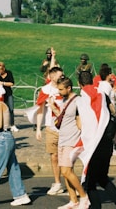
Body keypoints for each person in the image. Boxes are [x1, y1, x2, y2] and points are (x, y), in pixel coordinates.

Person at [77, 71, 116, 209]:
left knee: (90, 182)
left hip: (93, 144)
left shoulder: (80, 100)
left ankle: (96, 206)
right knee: (103, 177)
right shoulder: (103, 95)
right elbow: (113, 112)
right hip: (106, 141)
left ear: (79, 84)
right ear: (93, 81)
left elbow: (80, 124)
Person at [55, 76, 90, 209]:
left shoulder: (78, 101)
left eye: (61, 89)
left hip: (72, 140)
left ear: (69, 88)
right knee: (65, 172)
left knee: (66, 171)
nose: (59, 92)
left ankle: (84, 197)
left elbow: (82, 120)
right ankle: (73, 200)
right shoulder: (65, 100)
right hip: (63, 139)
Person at [35, 66, 65, 195]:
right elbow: (40, 110)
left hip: (65, 127)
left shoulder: (64, 87)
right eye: (60, 75)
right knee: (54, 156)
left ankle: (69, 181)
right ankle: (57, 182)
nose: (62, 77)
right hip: (51, 126)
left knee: (66, 156)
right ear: (52, 76)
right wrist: (38, 128)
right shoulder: (45, 90)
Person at [0, 61, 18, 131]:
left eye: (0, 70)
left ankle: (12, 124)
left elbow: (12, 83)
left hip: (8, 94)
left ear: (3, 69)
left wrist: (3, 83)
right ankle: (2, 124)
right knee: (0, 110)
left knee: (11, 109)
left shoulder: (9, 73)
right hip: (1, 95)